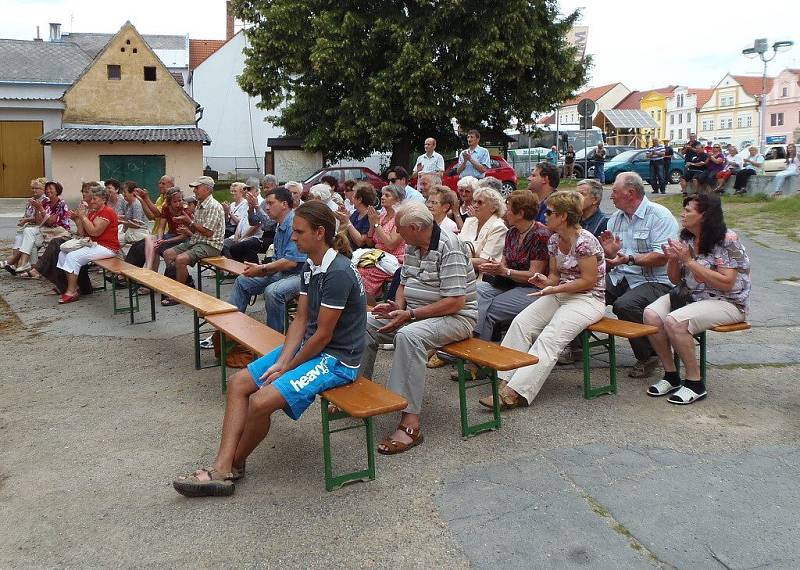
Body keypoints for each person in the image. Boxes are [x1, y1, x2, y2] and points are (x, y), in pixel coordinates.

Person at [173, 202, 366, 497]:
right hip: (312, 347)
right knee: (238, 383)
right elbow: (301, 320)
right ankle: (224, 467)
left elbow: (323, 336)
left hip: (337, 359)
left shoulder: (337, 271)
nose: (293, 237)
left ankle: (229, 467)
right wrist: (284, 360)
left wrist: (286, 367)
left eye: (299, 232)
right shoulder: (311, 264)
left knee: (261, 401)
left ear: (320, 233)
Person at [359, 202, 477, 454]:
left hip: (457, 318)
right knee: (365, 324)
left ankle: (410, 422)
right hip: (417, 313)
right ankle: (361, 392)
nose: (398, 236)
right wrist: (396, 306)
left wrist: (410, 313)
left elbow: (456, 301)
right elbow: (404, 281)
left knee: (408, 336)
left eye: (401, 230)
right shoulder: (414, 243)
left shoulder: (450, 247)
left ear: (414, 227)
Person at [479, 190, 606, 410]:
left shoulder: (585, 241)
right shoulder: (555, 239)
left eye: (549, 212)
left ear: (564, 216)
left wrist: (554, 288)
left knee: (550, 338)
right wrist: (544, 282)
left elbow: (588, 281)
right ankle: (505, 378)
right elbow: (555, 275)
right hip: (562, 293)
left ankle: (515, 392)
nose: (544, 215)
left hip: (588, 299)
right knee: (521, 323)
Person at [643, 193, 750, 405]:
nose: (682, 214)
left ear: (705, 215)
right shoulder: (687, 238)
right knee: (651, 315)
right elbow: (675, 280)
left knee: (675, 322)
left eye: (688, 210)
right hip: (692, 295)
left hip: (728, 301)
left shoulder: (727, 240)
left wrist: (689, 261)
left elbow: (727, 283)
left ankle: (694, 383)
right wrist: (674, 260)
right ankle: (671, 375)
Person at [599, 172, 679, 379]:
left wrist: (629, 259)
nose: (611, 196)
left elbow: (663, 256)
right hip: (622, 275)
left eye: (615, 192)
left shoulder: (659, 215)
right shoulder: (615, 219)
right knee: (586, 291)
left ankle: (651, 354)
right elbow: (616, 256)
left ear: (630, 192)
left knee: (625, 305)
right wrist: (610, 253)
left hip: (656, 280)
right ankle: (578, 346)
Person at [226, 187, 307, 332]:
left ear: (284, 204)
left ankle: (274, 340)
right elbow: (255, 221)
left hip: (300, 275)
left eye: (270, 203)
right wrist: (262, 270)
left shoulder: (293, 223)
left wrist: (263, 269)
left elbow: (292, 262)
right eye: (267, 204)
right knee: (243, 280)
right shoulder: (281, 223)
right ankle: (230, 329)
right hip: (283, 273)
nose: (267, 207)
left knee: (272, 292)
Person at [473, 190, 551, 340]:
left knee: (489, 308)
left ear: (520, 213)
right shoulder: (512, 233)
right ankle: (468, 343)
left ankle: (476, 349)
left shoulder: (540, 235)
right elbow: (504, 264)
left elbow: (534, 275)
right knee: (473, 291)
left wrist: (505, 271)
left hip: (532, 288)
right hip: (508, 284)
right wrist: (493, 268)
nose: (505, 213)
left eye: (508, 209)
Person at [55, 184, 120, 304]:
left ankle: (71, 291)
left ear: (104, 199)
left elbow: (95, 232)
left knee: (72, 256)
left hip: (108, 247)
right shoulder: (94, 211)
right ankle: (75, 287)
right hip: (94, 244)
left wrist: (83, 217)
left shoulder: (107, 212)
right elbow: (82, 233)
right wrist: (77, 219)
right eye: (92, 198)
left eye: (95, 199)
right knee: (63, 253)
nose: (92, 201)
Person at [162, 176, 225, 296]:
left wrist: (189, 222)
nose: (194, 190)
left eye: (197, 187)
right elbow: (195, 230)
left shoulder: (213, 206)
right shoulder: (200, 204)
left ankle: (178, 294)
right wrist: (185, 222)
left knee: (180, 260)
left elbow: (208, 233)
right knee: (167, 254)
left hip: (211, 245)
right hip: (198, 241)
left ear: (207, 189)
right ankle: (186, 282)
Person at [5, 180, 71, 276]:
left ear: (57, 191)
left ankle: (28, 267)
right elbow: (39, 221)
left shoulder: (61, 204)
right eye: (47, 189)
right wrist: (36, 208)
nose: (48, 191)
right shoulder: (46, 202)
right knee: (28, 234)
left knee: (29, 236)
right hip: (46, 231)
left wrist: (40, 209)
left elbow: (52, 221)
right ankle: (29, 267)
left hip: (58, 232)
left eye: (50, 189)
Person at [358, 184, 406, 301]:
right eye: (383, 195)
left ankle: (369, 305)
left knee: (363, 272)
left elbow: (391, 244)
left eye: (387, 195)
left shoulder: (401, 218)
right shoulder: (381, 216)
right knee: (354, 267)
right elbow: (370, 242)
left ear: (397, 200)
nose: (383, 197)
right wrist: (371, 224)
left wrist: (376, 224)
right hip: (376, 256)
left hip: (394, 259)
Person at [458, 186, 507, 274]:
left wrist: (456, 260)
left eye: (480, 202)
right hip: (461, 271)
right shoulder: (469, 221)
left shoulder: (498, 227)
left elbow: (486, 262)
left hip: (483, 279)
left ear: (493, 208)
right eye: (475, 202)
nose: (475, 205)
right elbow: (458, 247)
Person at [1, 177, 47, 270]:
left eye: (36, 188)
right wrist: (24, 220)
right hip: (29, 226)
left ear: (43, 189)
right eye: (33, 188)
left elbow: (42, 219)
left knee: (24, 235)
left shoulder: (45, 201)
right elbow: (27, 214)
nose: (34, 190)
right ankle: (15, 265)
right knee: (19, 236)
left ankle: (12, 262)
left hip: (39, 227)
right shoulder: (31, 200)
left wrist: (27, 220)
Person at [142, 188, 189, 274]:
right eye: (175, 202)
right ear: (169, 202)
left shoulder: (185, 209)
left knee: (164, 251)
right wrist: (160, 239)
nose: (178, 204)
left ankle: (170, 276)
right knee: (151, 239)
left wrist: (165, 241)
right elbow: (161, 227)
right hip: (172, 235)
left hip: (185, 238)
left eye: (180, 200)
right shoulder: (166, 208)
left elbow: (184, 236)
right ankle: (150, 271)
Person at [222, 182, 259, 258]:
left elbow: (240, 222)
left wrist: (229, 212)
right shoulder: (232, 204)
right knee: (219, 244)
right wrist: (226, 212)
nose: (232, 193)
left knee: (225, 245)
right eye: (231, 191)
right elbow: (227, 221)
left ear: (241, 192)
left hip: (238, 232)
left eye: (235, 191)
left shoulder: (245, 204)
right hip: (232, 231)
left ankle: (232, 265)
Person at [336, 182, 376, 249]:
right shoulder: (356, 213)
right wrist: (342, 219)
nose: (352, 199)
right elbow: (346, 231)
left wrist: (347, 221)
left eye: (354, 197)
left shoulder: (370, 216)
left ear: (360, 199)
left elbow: (360, 242)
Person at [118, 181, 150, 245]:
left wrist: (121, 222)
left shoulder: (136, 204)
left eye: (125, 192)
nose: (123, 194)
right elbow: (129, 217)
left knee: (115, 242)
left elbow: (137, 225)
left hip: (139, 233)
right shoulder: (128, 204)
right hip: (130, 232)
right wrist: (118, 217)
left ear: (132, 193)